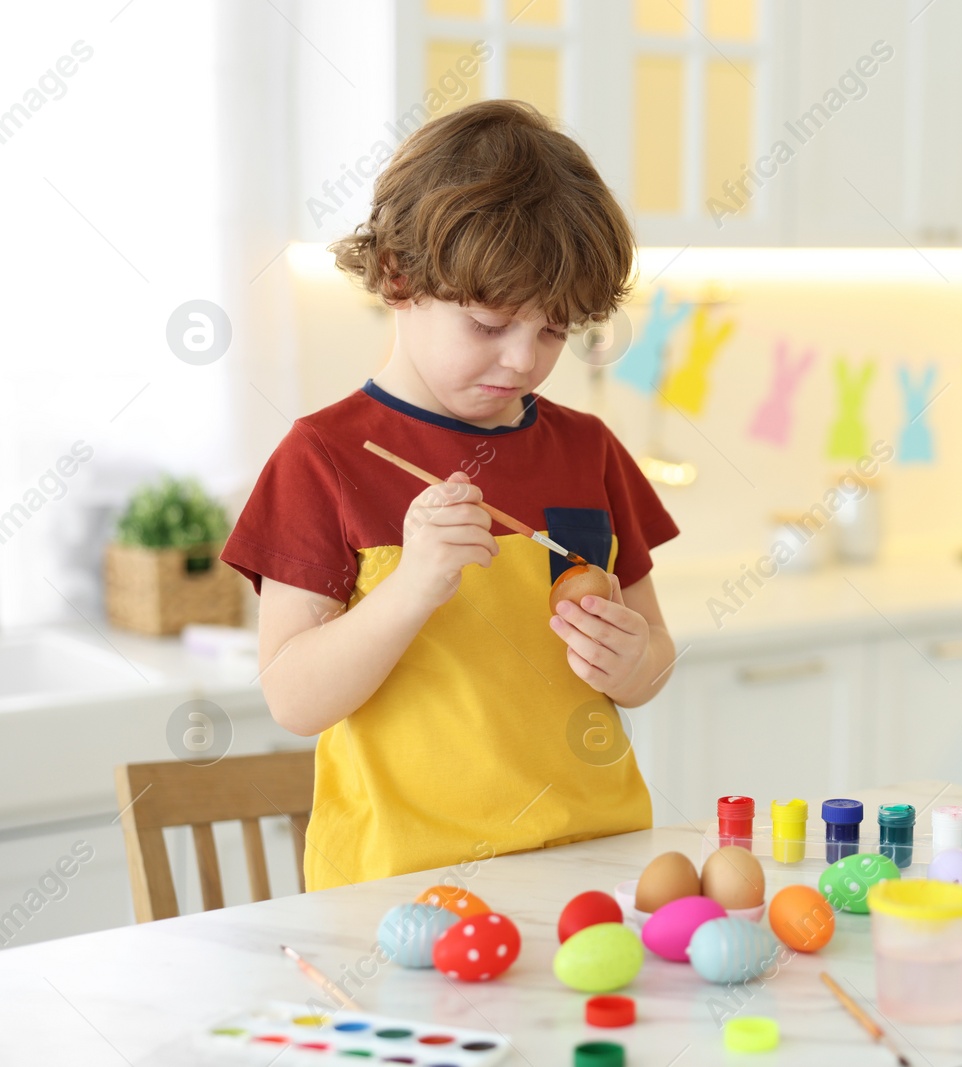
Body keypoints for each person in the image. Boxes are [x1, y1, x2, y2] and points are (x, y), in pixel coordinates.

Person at [222, 100, 679, 890]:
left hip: (591, 860)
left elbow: (653, 655)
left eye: (551, 331)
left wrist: (632, 661)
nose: (522, 360)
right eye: (489, 323)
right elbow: (293, 698)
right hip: (405, 888)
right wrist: (413, 587)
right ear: (400, 280)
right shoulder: (323, 457)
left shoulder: (587, 449)